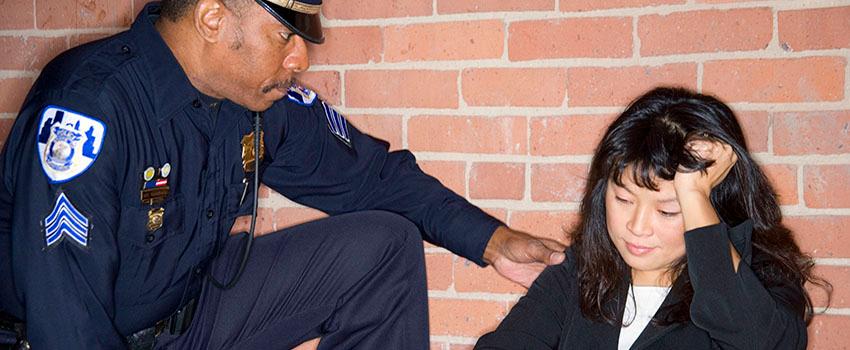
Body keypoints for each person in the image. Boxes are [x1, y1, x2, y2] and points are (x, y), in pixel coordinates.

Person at [0, 0, 567, 348]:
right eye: (285, 36)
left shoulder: (259, 100)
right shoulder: (88, 106)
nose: (300, 58)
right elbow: (67, 324)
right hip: (78, 335)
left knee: (384, 246)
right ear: (213, 18)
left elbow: (372, 176)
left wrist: (493, 241)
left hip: (189, 315)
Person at [475, 87, 831, 349]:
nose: (637, 226)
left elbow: (758, 341)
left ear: (711, 206)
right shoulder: (578, 273)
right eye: (624, 198)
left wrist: (692, 193)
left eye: (667, 210)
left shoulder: (762, 283)